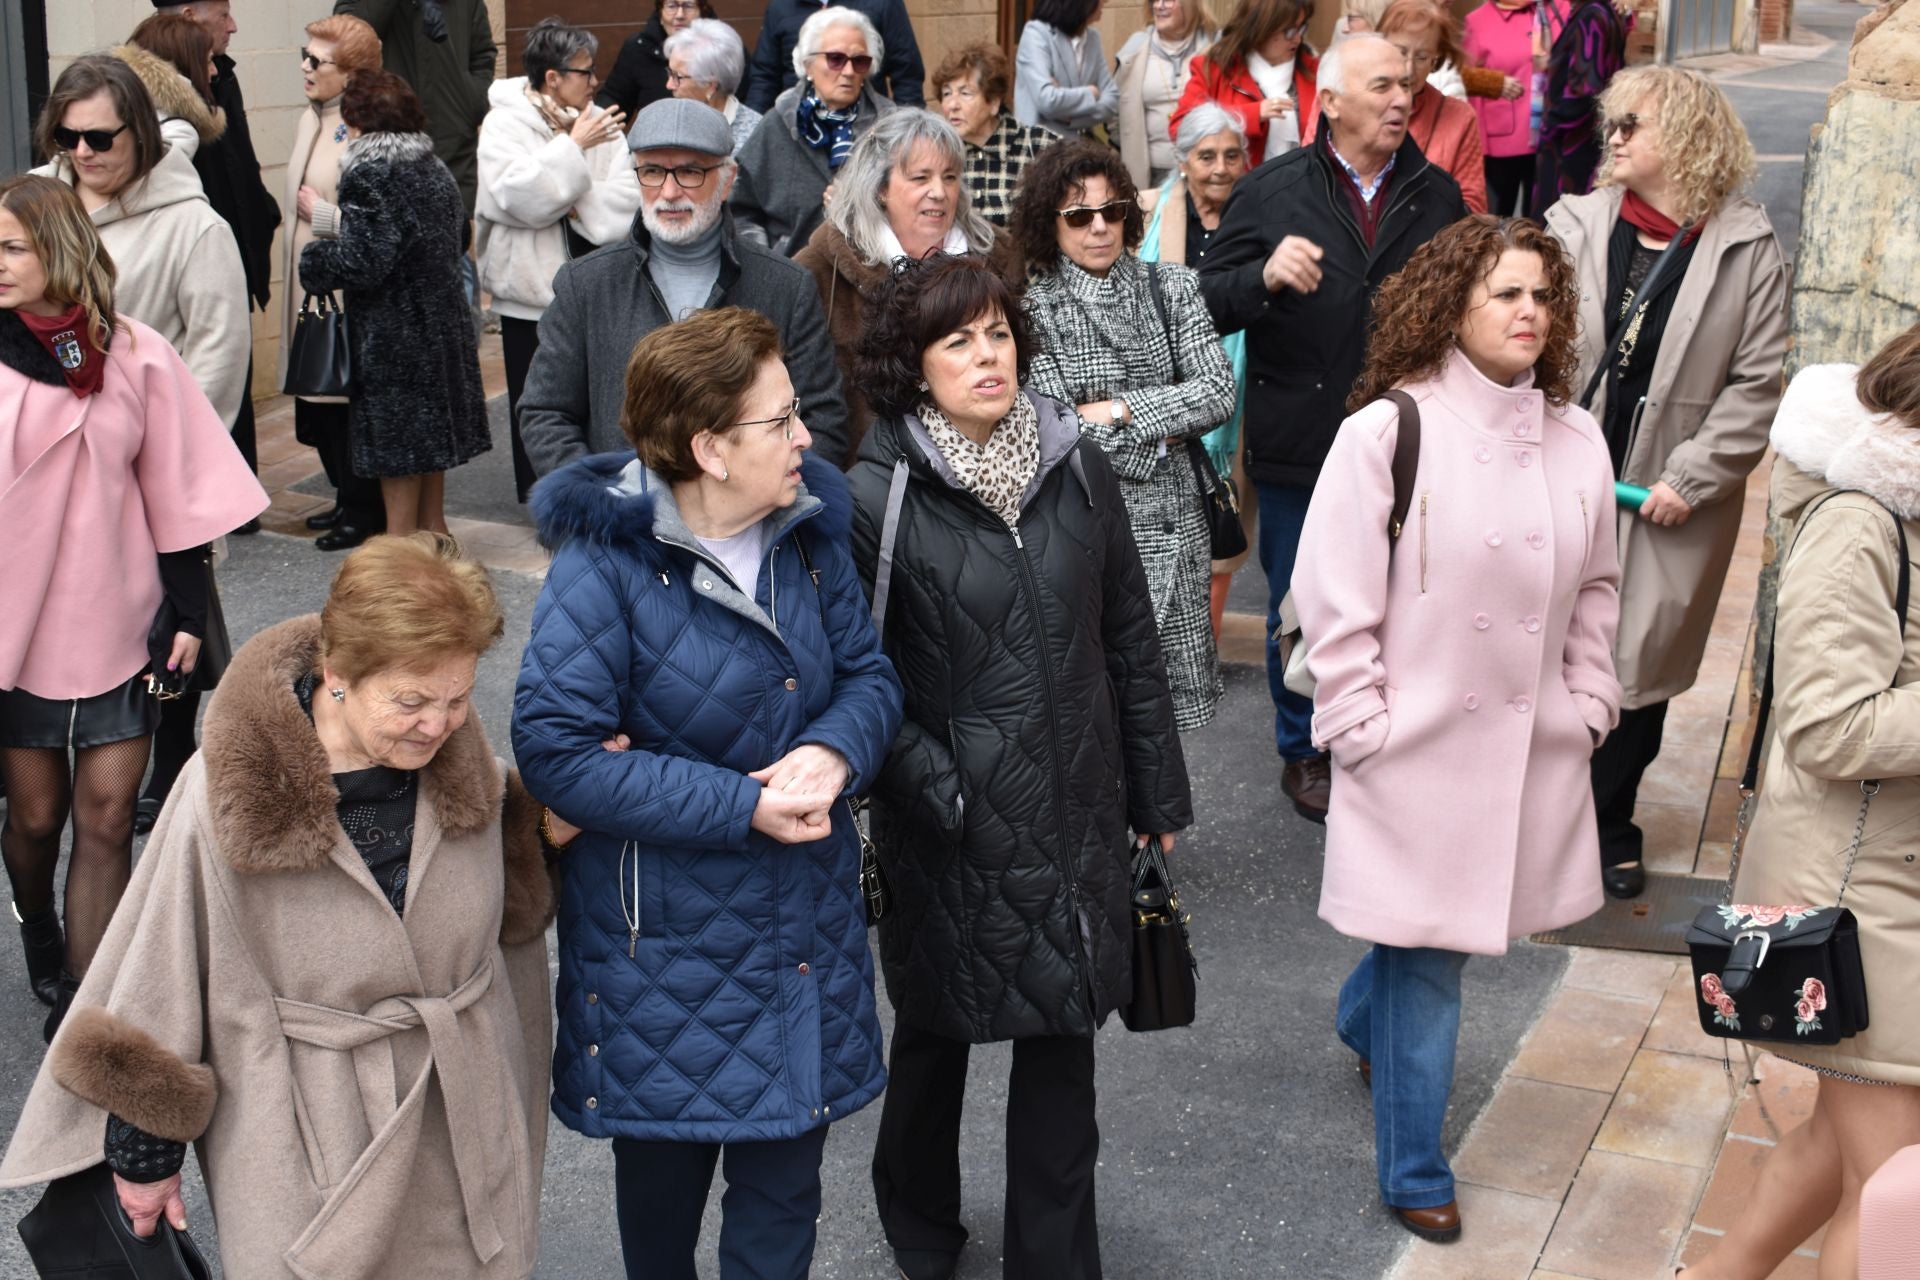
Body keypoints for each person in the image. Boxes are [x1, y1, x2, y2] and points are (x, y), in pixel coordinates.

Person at [0, 532, 561, 1277]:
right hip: (306, 1138)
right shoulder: (228, 794)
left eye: (458, 697)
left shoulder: (466, 776)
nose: (440, 723)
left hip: (462, 1131)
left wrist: (554, 827)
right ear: (338, 675)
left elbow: (510, 902)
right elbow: (159, 960)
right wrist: (146, 1155)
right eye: (412, 701)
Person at [513, 306, 904, 1280]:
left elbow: (868, 675)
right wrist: (743, 803)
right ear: (709, 448)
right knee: (662, 1222)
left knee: (782, 1210)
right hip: (663, 957)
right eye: (782, 422)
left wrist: (834, 750)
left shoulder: (810, 528)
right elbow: (558, 754)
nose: (808, 437)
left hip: (802, 933)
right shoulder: (600, 567)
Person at [846, 252, 1192, 1280]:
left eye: (997, 331)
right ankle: (918, 1216)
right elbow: (855, 668)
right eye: (957, 340)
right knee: (936, 1028)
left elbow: (1128, 630)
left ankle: (1055, 1258)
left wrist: (1155, 788)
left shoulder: (1074, 460)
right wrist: (929, 779)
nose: (985, 354)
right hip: (950, 821)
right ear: (913, 365)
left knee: (1062, 1035)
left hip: (1077, 801)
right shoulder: (878, 494)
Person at [1292, 215, 1621, 1245]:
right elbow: (1332, 597)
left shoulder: (1577, 434)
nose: (1529, 312)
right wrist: (1361, 724)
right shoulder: (1391, 429)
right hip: (1415, 745)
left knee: (1434, 937)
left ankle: (1364, 1017)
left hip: (1530, 748)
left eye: (1542, 296)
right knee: (1431, 953)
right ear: (1452, 306)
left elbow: (1599, 587)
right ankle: (1416, 1165)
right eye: (1506, 294)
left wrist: (1591, 696)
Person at [1677, 325, 1920, 1280]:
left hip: (1892, 874)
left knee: (1845, 1139)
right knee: (1895, 1182)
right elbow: (1828, 726)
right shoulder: (1866, 519)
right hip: (1865, 894)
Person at [0, 175, 266, 1039]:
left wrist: (188, 613)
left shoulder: (135, 352)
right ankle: (36, 923)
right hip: (15, 630)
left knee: (108, 814)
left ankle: (87, 1005)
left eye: (10, 247)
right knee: (36, 818)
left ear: (60, 250)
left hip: (119, 617)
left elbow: (179, 488)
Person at [1197, 33, 1467, 822]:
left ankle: (1381, 736)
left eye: (1406, 86)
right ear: (1334, 102)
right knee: (1300, 603)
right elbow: (1205, 302)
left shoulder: (1438, 196)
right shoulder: (1272, 191)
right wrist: (1261, 277)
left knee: (1404, 599)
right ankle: (1304, 750)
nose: (1398, 100)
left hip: (1409, 440)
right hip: (1302, 437)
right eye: (1381, 86)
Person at [1543, 65, 1786, 899]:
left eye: (1631, 125)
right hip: (1558, 477)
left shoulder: (1747, 246)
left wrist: (1692, 474)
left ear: (1683, 138)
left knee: (1636, 668)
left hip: (1663, 501)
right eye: (1612, 124)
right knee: (1542, 645)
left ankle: (1609, 819)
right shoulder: (1572, 224)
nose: (1612, 139)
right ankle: (1540, 814)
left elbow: (1757, 384)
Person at [1017, 142, 1237, 730]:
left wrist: (1115, 410)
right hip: (1092, 531)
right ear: (1050, 224)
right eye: (1079, 215)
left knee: (1168, 727)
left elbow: (1217, 392)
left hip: (1180, 528)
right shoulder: (1036, 309)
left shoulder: (1174, 287)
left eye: (1112, 211)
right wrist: (1166, 427)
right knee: (1097, 719)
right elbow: (1054, 429)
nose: (1099, 227)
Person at [519, 98, 851, 477]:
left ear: (727, 180)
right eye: (653, 171)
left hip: (750, 524)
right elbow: (545, 412)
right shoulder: (586, 284)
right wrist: (599, 503)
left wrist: (769, 506)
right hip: (617, 525)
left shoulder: (785, 287)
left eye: (690, 172)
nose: (669, 191)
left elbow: (822, 419)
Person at [300, 68, 491, 539]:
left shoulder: (369, 173)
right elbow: (456, 236)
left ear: (358, 122)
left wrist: (314, 260)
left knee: (400, 449)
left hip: (395, 335)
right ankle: (435, 537)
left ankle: (402, 556)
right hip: (441, 323)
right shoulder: (434, 166)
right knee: (427, 447)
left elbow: (366, 260)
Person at [31, 58, 250, 445]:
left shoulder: (197, 228)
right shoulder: (28, 202)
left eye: (99, 138)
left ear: (141, 132)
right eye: (67, 137)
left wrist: (168, 451)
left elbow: (219, 358)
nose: (81, 152)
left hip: (135, 450)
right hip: (36, 443)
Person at [793, 110, 1018, 465]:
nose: (939, 192)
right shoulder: (824, 268)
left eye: (949, 177)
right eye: (920, 178)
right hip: (874, 476)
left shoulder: (999, 256)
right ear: (881, 188)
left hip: (991, 465)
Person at [478, 17, 641, 503]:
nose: (594, 82)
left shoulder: (600, 121)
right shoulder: (504, 123)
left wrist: (571, 202)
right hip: (528, 293)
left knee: (596, 396)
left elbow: (628, 203)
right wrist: (573, 150)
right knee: (537, 402)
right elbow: (514, 199)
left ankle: (598, 489)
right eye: (585, 72)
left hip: (597, 288)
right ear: (553, 77)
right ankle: (542, 499)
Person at [155, 0, 284, 486]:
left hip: (235, 252)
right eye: (223, 13)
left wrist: (261, 211)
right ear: (190, 15)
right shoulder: (157, 100)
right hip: (195, 259)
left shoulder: (221, 74)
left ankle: (236, 487)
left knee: (234, 369)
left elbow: (238, 162)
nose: (233, 25)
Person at [1140, 103, 1257, 636]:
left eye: (1232, 155)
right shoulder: (1149, 213)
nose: (1220, 167)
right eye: (1207, 155)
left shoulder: (1259, 216)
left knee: (1222, 517)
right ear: (1183, 161)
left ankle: (1202, 641)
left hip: (1238, 388)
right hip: (1161, 388)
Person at [282, 14, 387, 554]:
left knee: (343, 403)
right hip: (313, 290)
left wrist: (323, 217)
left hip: (345, 292)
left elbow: (383, 224)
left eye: (316, 60)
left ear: (350, 73)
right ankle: (346, 498)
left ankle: (363, 508)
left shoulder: (365, 126)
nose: (304, 65)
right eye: (304, 54)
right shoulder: (312, 117)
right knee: (318, 408)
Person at [733, 6, 895, 257]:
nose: (849, 72)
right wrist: (765, 264)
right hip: (791, 279)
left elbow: (914, 204)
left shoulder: (891, 126)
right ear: (808, 65)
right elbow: (741, 210)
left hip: (874, 277)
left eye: (859, 61)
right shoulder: (777, 124)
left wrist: (869, 205)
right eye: (836, 59)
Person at [334, 0, 496, 213]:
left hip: (454, 151)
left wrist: (471, 104)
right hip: (385, 154)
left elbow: (482, 56)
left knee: (456, 240)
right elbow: (347, 38)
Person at [1365, 0, 1488, 212]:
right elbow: (1313, 184)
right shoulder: (1343, 100)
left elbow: (1473, 211)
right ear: (1379, 46)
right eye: (1400, 52)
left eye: (1422, 57)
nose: (1409, 68)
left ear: (1434, 61)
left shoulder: (1459, 117)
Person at [1169, 0, 1318, 168]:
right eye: (1289, 31)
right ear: (1262, 29)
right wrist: (1251, 115)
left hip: (1300, 187)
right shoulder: (1214, 69)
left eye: (1302, 28)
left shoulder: (1315, 71)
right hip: (1233, 189)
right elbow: (1179, 129)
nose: (1298, 39)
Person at [932, 43, 1055, 228]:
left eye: (965, 93)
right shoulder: (937, 152)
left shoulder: (1038, 146)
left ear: (994, 102)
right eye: (947, 93)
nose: (952, 105)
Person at [1531, 0, 1628, 210]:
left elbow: (1584, 91)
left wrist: (1550, 127)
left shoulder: (1591, 16)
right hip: (1584, 144)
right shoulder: (1600, 11)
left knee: (1561, 224)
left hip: (1572, 150)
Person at [746, 0, 926, 111]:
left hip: (866, 121)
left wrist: (907, 133)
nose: (847, 70)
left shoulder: (882, 3)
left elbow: (907, 74)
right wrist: (753, 130)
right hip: (797, 126)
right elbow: (764, 77)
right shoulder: (781, 7)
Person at [1115, 0, 1218, 190]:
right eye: (1154, 1)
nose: (1159, 6)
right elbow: (1115, 111)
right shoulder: (1135, 48)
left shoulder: (1216, 47)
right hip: (1152, 173)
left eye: (1168, 0)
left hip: (1206, 170)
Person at [1465, 0, 1541, 215]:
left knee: (1540, 216)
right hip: (1503, 138)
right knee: (1498, 215)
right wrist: (1495, 83)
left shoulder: (1550, 10)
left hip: (1547, 133)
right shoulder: (1477, 20)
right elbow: (1465, 77)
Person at [117, 13, 225, 161]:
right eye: (208, 61)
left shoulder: (113, 105)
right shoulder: (178, 133)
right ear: (184, 65)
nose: (214, 71)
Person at [1013, 0, 1119, 140]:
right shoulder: (1036, 34)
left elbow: (1112, 100)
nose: (1106, 1)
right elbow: (1047, 100)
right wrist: (1092, 93)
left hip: (1077, 151)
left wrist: (1073, 119)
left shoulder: (1093, 38)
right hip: (1040, 150)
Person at [598, 0, 716, 122]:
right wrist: (596, 121)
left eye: (689, 6)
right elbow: (615, 98)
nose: (680, 15)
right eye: (671, 6)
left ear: (703, 13)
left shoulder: (722, 52)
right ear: (660, 14)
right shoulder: (638, 49)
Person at [665, 18, 763, 156]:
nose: (669, 85)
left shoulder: (755, 136)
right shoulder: (663, 123)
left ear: (710, 85)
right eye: (669, 72)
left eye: (677, 77)